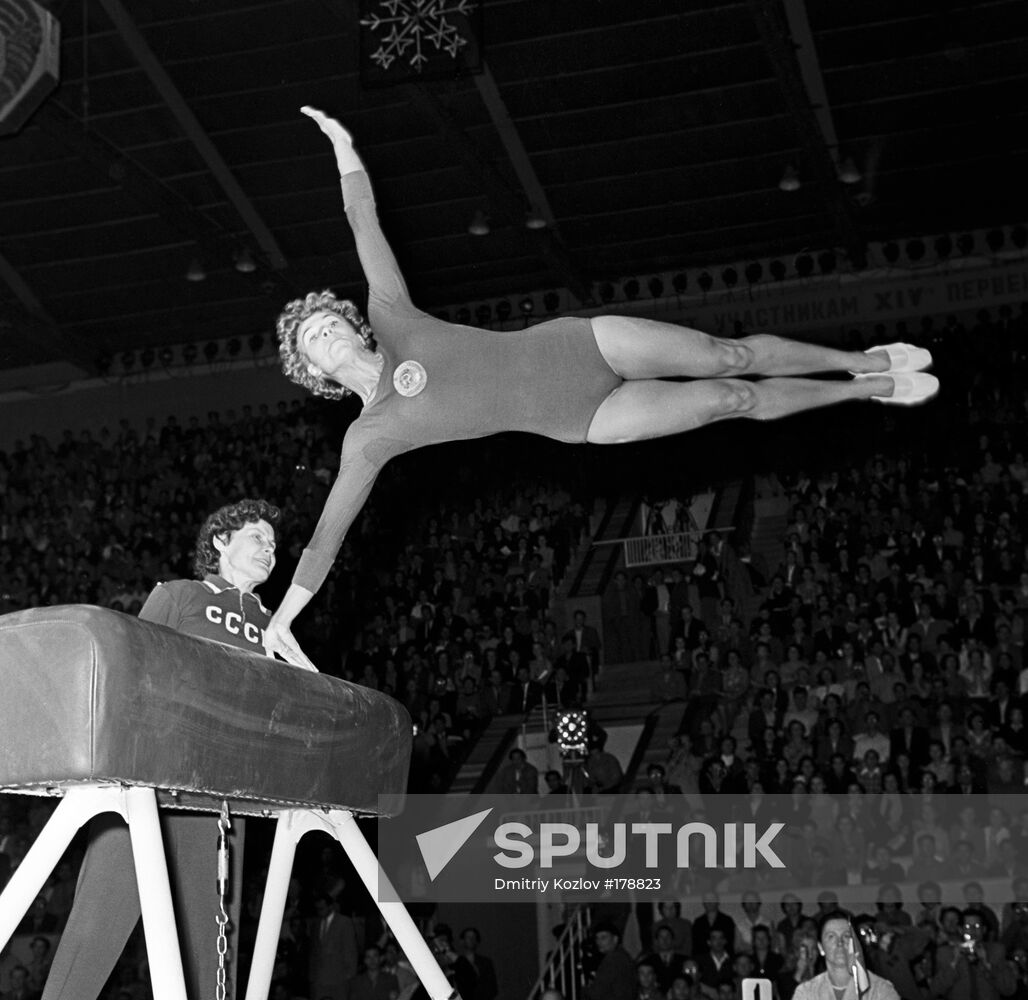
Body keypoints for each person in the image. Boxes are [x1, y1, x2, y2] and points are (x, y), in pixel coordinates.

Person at [261, 106, 939, 667]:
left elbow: (363, 224)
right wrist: (284, 619)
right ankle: (864, 391)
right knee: (732, 400)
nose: (324, 333)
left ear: (349, 321)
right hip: (585, 416)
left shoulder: (392, 315)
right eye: (310, 339)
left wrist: (344, 145)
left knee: (724, 355)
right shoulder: (370, 435)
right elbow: (327, 537)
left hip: (576, 343)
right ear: (312, 371)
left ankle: (863, 357)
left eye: (325, 321)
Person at [42, 499, 311, 1000]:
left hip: (219, 801)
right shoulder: (180, 595)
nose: (270, 550)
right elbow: (130, 671)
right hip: (148, 780)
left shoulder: (271, 625)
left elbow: (293, 704)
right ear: (219, 542)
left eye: (274, 545)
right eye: (257, 537)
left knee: (212, 958)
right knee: (97, 927)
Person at [792, 910, 901, 1000]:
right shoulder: (806, 992)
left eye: (846, 936)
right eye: (831, 936)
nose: (839, 942)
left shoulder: (880, 989)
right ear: (821, 948)